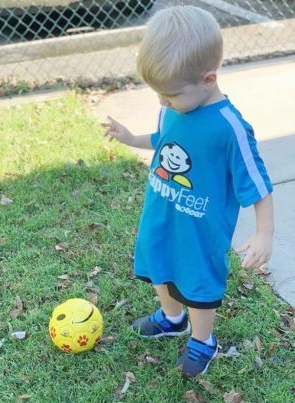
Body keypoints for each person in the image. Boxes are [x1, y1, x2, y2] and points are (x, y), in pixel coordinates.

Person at [103, 5, 274, 378]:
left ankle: (202, 339)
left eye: (169, 95)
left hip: (200, 231)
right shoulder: (174, 104)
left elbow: (257, 182)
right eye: (159, 94)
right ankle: (171, 318)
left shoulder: (229, 127)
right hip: (162, 215)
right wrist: (131, 138)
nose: (163, 102)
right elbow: (165, 139)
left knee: (196, 284)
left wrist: (264, 232)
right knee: (159, 267)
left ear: (209, 79)